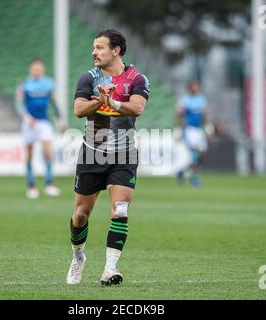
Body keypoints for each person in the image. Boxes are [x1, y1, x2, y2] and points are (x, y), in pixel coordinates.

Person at [66, 29, 150, 286]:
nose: (94, 52)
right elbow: (79, 110)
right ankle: (78, 256)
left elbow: (137, 108)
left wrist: (112, 103)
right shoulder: (88, 78)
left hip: (124, 153)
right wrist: (99, 101)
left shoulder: (136, 78)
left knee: (120, 210)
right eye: (94, 47)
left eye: (100, 47)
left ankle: (110, 269)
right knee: (80, 214)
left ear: (116, 50)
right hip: (93, 150)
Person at [15, 57, 63, 198]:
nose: (37, 70)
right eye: (35, 67)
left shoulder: (49, 84)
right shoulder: (24, 84)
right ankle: (31, 186)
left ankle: (49, 184)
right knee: (29, 154)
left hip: (44, 122)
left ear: (43, 69)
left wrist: (59, 117)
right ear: (31, 69)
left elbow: (54, 102)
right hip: (29, 123)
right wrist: (26, 117)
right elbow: (19, 103)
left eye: (39, 67)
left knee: (47, 152)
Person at [175, 81, 208, 187]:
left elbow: (204, 115)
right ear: (189, 88)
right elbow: (179, 115)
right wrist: (179, 129)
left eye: (196, 87)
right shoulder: (185, 100)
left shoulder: (201, 99)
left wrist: (207, 127)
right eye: (193, 87)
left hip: (199, 130)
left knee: (202, 154)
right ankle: (194, 179)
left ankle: (182, 172)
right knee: (194, 155)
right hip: (190, 130)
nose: (195, 89)